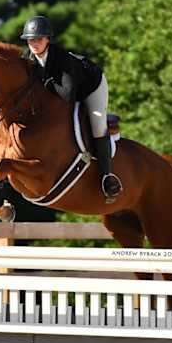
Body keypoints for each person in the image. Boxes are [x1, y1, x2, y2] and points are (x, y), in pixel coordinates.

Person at [20, 15, 123, 203]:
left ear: (48, 40)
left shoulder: (63, 60)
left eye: (39, 39)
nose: (34, 43)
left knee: (97, 125)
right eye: (30, 39)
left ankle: (107, 177)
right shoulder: (26, 59)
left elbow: (68, 95)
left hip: (91, 86)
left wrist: (45, 83)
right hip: (64, 94)